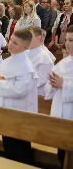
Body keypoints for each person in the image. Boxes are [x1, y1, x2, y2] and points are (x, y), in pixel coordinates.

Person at [0, 29, 38, 165]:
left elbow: (20, 90)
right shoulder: (7, 61)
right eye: (10, 40)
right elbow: (0, 82)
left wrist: (0, 82)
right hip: (6, 112)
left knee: (20, 150)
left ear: (25, 47)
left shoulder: (26, 67)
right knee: (8, 146)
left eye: (15, 43)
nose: (10, 44)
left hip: (19, 115)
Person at [45, 26, 73, 167]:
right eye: (66, 40)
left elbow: (63, 84)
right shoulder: (63, 62)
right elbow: (48, 89)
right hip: (60, 113)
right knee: (61, 155)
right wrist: (52, 84)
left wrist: (65, 84)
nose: (67, 43)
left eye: (71, 40)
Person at [26, 26, 55, 96]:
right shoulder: (26, 52)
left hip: (38, 94)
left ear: (38, 38)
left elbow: (42, 80)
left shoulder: (45, 57)